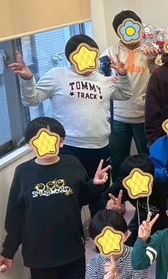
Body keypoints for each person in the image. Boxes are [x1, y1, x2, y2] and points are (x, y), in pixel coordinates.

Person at [11, 35, 130, 214]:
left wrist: (123, 75)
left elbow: (126, 94)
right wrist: (28, 79)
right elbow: (32, 100)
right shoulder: (57, 75)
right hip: (68, 148)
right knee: (69, 196)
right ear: (71, 58)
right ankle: (73, 230)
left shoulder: (103, 80)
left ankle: (101, 231)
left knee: (100, 196)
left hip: (100, 148)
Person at [0, 118, 110, 279]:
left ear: (61, 142)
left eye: (50, 139)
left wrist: (94, 184)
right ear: (30, 145)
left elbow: (82, 198)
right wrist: (8, 251)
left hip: (71, 248)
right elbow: (15, 215)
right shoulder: (23, 172)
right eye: (38, 140)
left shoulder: (72, 164)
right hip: (39, 254)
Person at [101, 10, 155, 179]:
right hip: (118, 116)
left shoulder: (151, 51)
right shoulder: (109, 54)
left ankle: (150, 191)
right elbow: (100, 81)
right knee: (117, 161)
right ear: (119, 32)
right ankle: (119, 191)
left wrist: (152, 62)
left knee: (148, 159)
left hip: (144, 116)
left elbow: (162, 79)